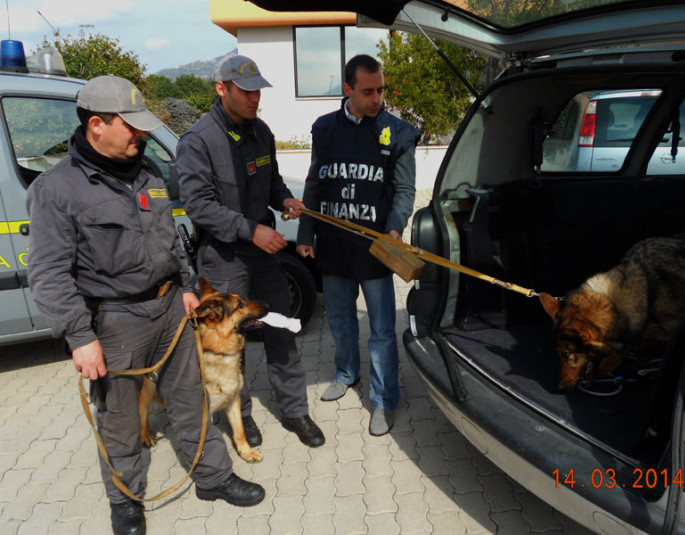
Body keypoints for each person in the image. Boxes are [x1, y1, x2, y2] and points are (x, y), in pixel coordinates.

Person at [26, 75, 265, 535]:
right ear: (97, 124)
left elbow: (170, 239)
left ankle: (212, 477)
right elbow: (49, 274)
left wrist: (187, 284)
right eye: (130, 126)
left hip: (171, 307)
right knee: (119, 418)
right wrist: (80, 337)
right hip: (114, 321)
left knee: (190, 398)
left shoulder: (148, 171)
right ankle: (126, 500)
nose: (141, 134)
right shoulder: (57, 190)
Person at [176, 54, 325, 449]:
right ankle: (239, 417)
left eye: (258, 90)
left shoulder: (262, 132)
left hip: (262, 256)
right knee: (229, 345)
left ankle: (295, 411)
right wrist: (250, 230)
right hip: (224, 258)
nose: (255, 98)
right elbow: (199, 206)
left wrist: (286, 199)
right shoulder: (198, 141)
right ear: (222, 89)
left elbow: (272, 180)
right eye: (246, 91)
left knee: (281, 330)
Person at [296, 55, 420, 436]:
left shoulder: (396, 133)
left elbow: (404, 190)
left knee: (382, 329)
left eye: (381, 89)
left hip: (376, 250)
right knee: (339, 319)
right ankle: (346, 372)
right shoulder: (324, 129)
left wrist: (396, 228)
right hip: (333, 247)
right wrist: (305, 233)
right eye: (368, 91)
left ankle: (383, 400)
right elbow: (315, 183)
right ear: (347, 89)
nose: (376, 98)